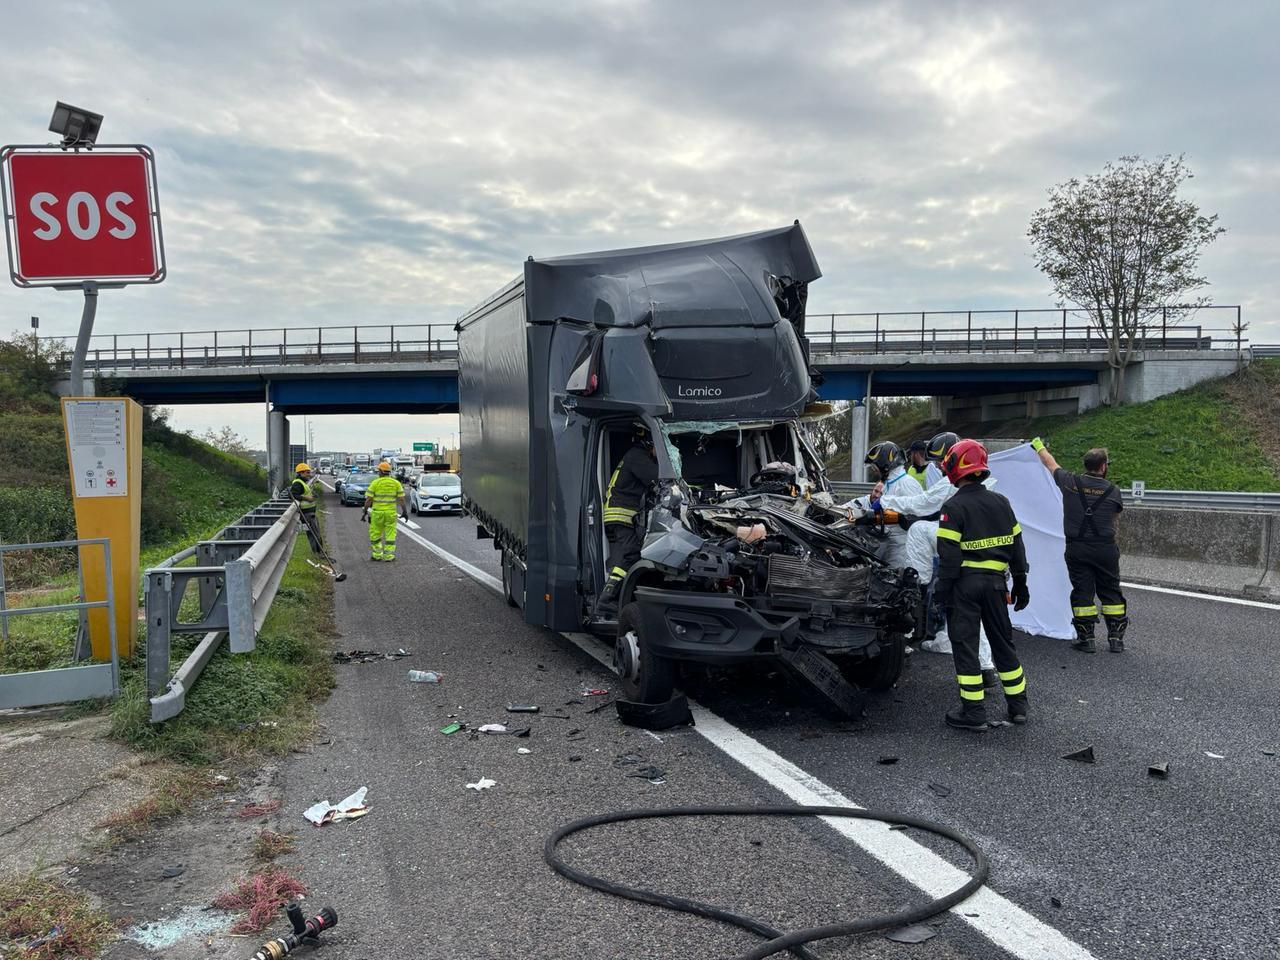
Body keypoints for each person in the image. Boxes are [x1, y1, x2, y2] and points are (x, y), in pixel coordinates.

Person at [881, 431, 998, 686]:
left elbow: (923, 503)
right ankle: (987, 667)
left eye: (939, 461)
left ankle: (917, 583)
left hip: (962, 550)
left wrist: (883, 502)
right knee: (973, 614)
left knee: (918, 532)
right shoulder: (989, 491)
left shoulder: (953, 483)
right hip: (985, 560)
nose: (937, 467)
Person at [935, 439, 1030, 731]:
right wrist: (1021, 582)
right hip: (997, 586)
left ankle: (974, 713)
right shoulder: (1002, 502)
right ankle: (1018, 707)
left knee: (965, 645)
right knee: (1004, 644)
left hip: (965, 585)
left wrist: (941, 593)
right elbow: (1018, 547)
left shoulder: (953, 506)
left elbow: (949, 559)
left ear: (955, 468)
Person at [1032, 438, 1127, 652]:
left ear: (1086, 465)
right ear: (1103, 467)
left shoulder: (1070, 482)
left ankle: (1087, 640)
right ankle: (1116, 639)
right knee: (1111, 591)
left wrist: (1038, 446)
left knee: (1083, 591)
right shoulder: (1114, 491)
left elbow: (1050, 463)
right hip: (1105, 549)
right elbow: (1115, 516)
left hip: (1078, 548)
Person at [598, 428, 660, 608]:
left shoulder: (635, 455)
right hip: (620, 513)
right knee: (631, 553)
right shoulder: (638, 456)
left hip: (621, 513)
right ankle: (607, 598)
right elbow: (657, 478)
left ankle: (618, 595)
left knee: (632, 552)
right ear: (650, 442)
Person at [843, 440, 923, 569]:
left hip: (903, 547)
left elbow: (912, 519)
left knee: (896, 583)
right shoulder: (889, 484)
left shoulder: (907, 484)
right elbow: (878, 509)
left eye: (875, 467)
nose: (875, 471)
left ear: (885, 465)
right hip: (890, 542)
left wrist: (876, 517)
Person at [362, 461, 408, 561]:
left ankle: (377, 555)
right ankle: (389, 556)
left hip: (377, 513)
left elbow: (369, 499)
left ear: (382, 471)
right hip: (391, 513)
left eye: (379, 471)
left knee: (375, 534)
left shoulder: (375, 483)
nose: (378, 472)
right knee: (390, 534)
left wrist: (365, 511)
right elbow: (401, 499)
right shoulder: (396, 483)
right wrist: (405, 512)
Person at [290, 463, 324, 553]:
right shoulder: (298, 483)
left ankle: (319, 552)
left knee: (315, 534)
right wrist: (307, 498)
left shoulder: (303, 482)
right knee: (314, 534)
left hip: (310, 513)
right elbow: (292, 495)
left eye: (309, 472)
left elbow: (303, 493)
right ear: (301, 473)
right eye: (307, 472)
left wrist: (312, 496)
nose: (309, 474)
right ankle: (318, 553)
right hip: (306, 514)